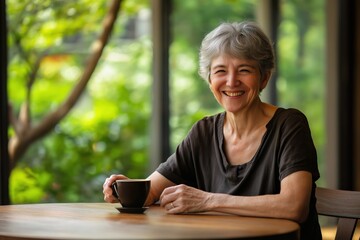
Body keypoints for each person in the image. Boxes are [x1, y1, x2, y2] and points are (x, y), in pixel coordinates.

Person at [103, 21, 322, 239]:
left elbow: (294, 206)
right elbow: (151, 192)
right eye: (220, 71)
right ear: (209, 80)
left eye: (244, 70)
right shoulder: (204, 132)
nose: (231, 81)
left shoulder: (289, 125)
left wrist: (207, 200)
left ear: (264, 77)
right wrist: (125, 189)